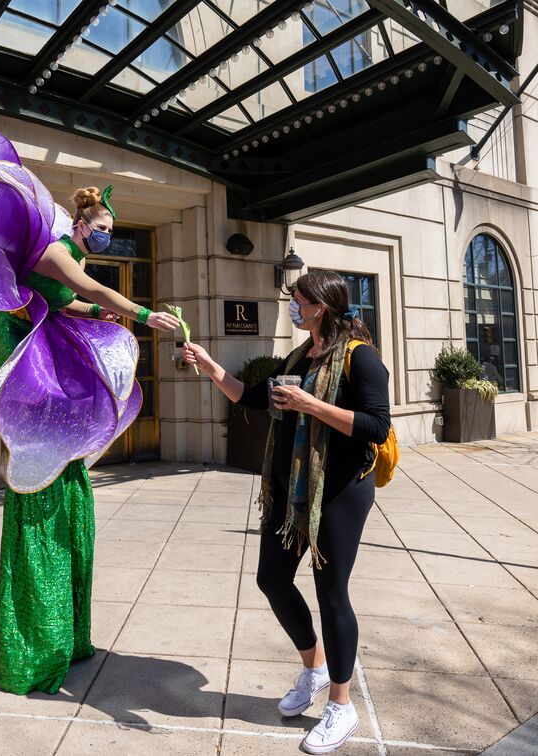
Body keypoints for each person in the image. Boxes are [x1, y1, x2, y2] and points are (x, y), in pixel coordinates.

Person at [0, 137, 180, 695]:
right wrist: (143, 313)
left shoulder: (64, 254)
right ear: (82, 218)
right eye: (102, 224)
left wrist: (101, 315)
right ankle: (37, 640)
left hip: (37, 328)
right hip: (18, 339)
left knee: (63, 448)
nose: (108, 233)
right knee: (45, 440)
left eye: (111, 227)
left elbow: (73, 299)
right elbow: (86, 285)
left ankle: (52, 465)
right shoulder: (56, 246)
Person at [183, 270, 390, 754]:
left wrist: (309, 404)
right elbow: (254, 398)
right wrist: (212, 366)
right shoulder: (300, 355)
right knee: (272, 579)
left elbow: (376, 426)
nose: (293, 307)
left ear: (321, 305)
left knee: (331, 593)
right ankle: (314, 666)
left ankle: (341, 704)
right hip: (288, 492)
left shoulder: (361, 359)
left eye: (297, 300)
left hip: (337, 491)